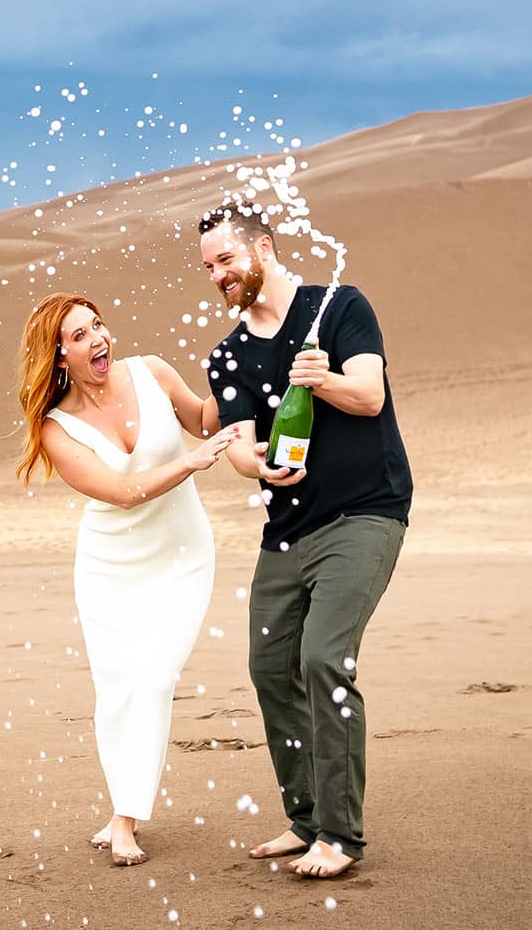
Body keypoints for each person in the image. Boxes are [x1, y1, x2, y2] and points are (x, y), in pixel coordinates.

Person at [197, 202, 412, 879]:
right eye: (208, 267)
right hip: (287, 529)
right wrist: (258, 464)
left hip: (366, 512)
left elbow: (370, 397)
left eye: (227, 259)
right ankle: (306, 817)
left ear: (263, 247)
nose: (218, 275)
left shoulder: (340, 308)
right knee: (270, 670)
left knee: (323, 659)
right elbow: (237, 442)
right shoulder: (227, 354)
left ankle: (340, 837)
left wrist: (322, 380)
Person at [16, 292, 239, 867]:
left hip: (182, 554)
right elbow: (118, 493)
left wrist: (239, 369)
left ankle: (124, 819)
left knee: (156, 676)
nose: (100, 340)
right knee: (118, 690)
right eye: (82, 335)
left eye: (99, 325)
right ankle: (124, 812)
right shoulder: (55, 428)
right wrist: (189, 463)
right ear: (60, 355)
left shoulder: (153, 371)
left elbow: (203, 418)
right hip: (110, 567)